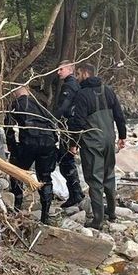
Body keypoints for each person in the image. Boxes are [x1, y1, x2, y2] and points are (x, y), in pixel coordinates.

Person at [68, 63, 126, 230]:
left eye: (78, 74)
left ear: (86, 74)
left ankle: (98, 220)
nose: (76, 77)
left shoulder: (82, 95)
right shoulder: (107, 90)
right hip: (109, 139)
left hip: (92, 141)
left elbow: (77, 122)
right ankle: (112, 212)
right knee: (109, 175)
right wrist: (122, 136)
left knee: (95, 179)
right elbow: (119, 116)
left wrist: (73, 143)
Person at [5, 86, 57, 224]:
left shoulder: (14, 105)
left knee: (17, 172)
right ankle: (45, 215)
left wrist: (13, 148)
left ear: (15, 94)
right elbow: (53, 124)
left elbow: (8, 129)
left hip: (29, 141)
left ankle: (17, 206)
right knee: (45, 177)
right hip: (48, 142)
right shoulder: (41, 106)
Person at [53, 61, 85, 209]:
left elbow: (64, 106)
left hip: (69, 127)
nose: (58, 72)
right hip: (71, 127)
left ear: (69, 70)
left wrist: (52, 120)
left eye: (61, 69)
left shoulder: (69, 85)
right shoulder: (73, 84)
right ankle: (76, 193)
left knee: (66, 160)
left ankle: (75, 194)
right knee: (66, 158)